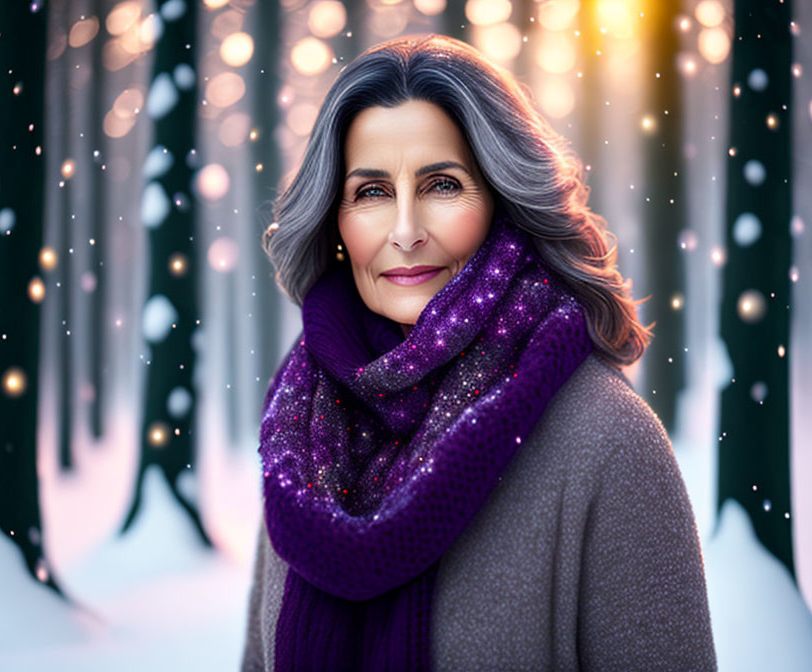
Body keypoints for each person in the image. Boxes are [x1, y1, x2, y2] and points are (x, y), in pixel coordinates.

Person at [241, 34, 717, 672]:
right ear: (335, 218)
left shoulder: (608, 445)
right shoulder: (307, 440)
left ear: (501, 197)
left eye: (441, 184)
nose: (406, 231)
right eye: (373, 193)